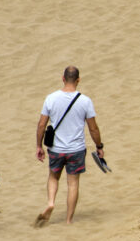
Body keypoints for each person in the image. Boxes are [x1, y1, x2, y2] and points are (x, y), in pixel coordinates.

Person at [35, 65, 104, 226]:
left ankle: (51, 202)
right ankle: (68, 220)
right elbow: (93, 128)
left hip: (56, 149)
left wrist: (39, 146)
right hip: (76, 150)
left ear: (63, 78)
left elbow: (41, 125)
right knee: (73, 183)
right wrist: (99, 146)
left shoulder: (50, 98)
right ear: (78, 80)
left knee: (53, 177)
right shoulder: (85, 101)